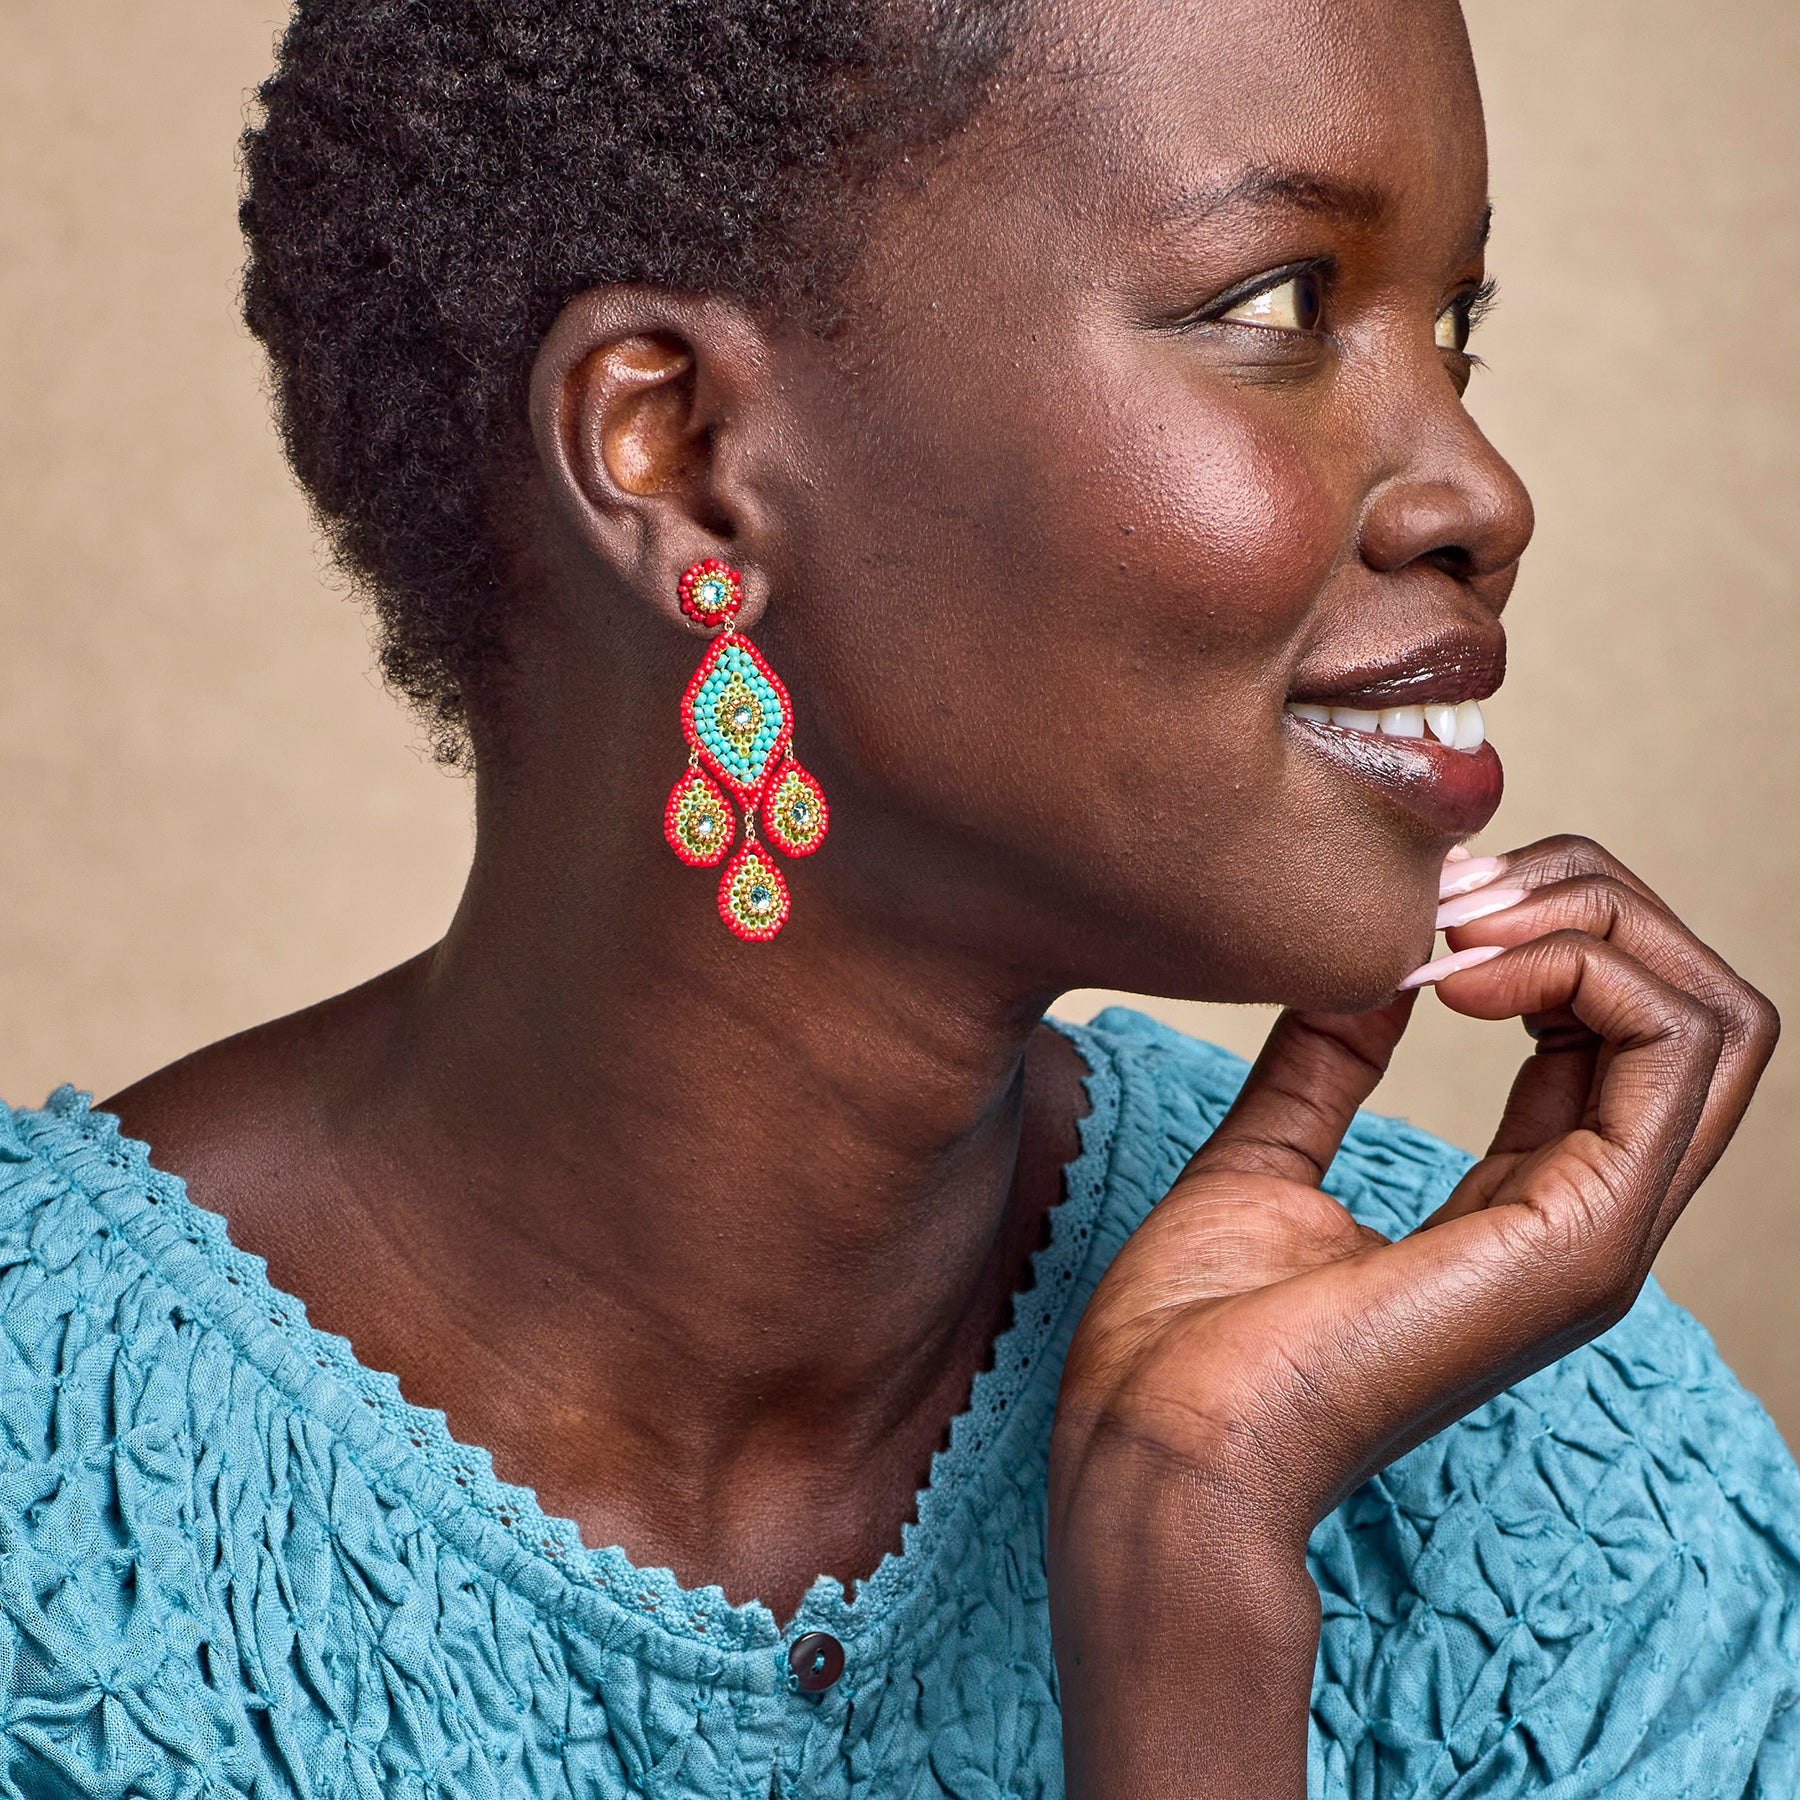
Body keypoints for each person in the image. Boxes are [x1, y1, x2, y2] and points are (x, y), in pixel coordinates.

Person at [1, 0, 1791, 1794]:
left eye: (1456, 324)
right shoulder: (52, 1514)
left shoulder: (1552, 1464)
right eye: (1278, 306)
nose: (1484, 494)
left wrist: (1195, 1548)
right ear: (682, 452)